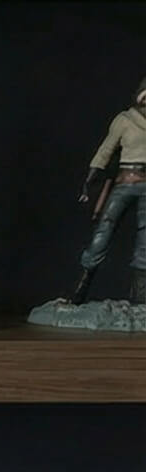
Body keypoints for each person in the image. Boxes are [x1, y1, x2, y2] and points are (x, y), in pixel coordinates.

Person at [67, 75, 146, 304]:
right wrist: (91, 178)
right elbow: (106, 150)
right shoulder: (124, 120)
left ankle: (141, 296)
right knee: (103, 232)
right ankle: (80, 288)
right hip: (125, 182)